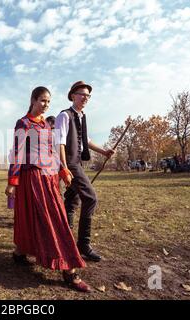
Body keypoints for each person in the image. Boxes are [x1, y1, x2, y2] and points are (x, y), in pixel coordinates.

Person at [5, 86, 90, 292]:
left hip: (49, 178)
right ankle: (69, 270)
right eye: (43, 100)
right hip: (31, 177)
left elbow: (52, 151)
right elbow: (17, 153)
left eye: (48, 102)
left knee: (48, 217)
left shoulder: (46, 124)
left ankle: (19, 253)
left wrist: (63, 170)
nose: (46, 105)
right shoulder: (23, 123)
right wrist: (12, 182)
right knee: (45, 219)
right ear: (33, 100)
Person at [55, 81, 115, 262]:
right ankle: (83, 245)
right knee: (91, 198)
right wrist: (64, 167)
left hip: (77, 163)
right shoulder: (64, 116)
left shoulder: (81, 117)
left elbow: (86, 140)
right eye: (82, 94)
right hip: (70, 164)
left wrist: (104, 151)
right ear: (73, 95)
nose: (85, 98)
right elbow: (60, 143)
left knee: (72, 200)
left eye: (88, 95)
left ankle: (62, 237)